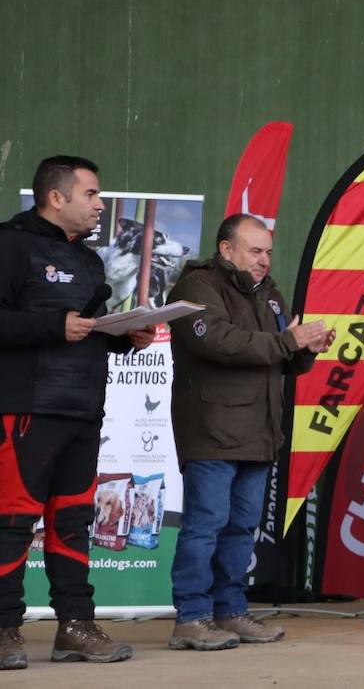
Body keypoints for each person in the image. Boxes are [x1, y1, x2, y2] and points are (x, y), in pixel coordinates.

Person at [0, 156, 156, 670]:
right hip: (25, 408)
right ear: (56, 196)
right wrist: (51, 327)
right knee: (12, 522)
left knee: (72, 522)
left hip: (83, 409)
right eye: (91, 194)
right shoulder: (11, 244)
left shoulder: (90, 260)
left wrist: (124, 337)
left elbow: (83, 330)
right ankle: (4, 631)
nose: (100, 204)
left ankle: (75, 627)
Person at [165, 214, 332, 650]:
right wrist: (287, 343)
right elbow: (219, 341)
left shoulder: (270, 295)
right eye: (255, 251)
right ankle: (192, 616)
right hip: (211, 430)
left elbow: (283, 357)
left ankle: (230, 612)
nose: (264, 260)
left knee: (242, 528)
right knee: (205, 526)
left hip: (258, 432)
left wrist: (306, 348)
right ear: (226, 249)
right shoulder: (196, 287)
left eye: (268, 252)